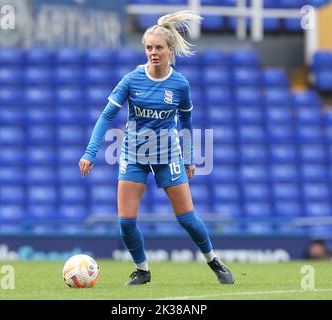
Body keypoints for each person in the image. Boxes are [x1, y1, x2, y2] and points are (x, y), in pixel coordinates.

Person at [79, 10, 234, 286]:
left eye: (158, 47)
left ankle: (213, 260)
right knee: (126, 222)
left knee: (187, 218)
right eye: (149, 47)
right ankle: (142, 271)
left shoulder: (179, 85)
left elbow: (186, 121)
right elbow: (106, 117)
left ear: (170, 49)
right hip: (133, 155)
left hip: (167, 156)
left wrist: (188, 157)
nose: (153, 52)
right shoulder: (131, 80)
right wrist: (90, 153)